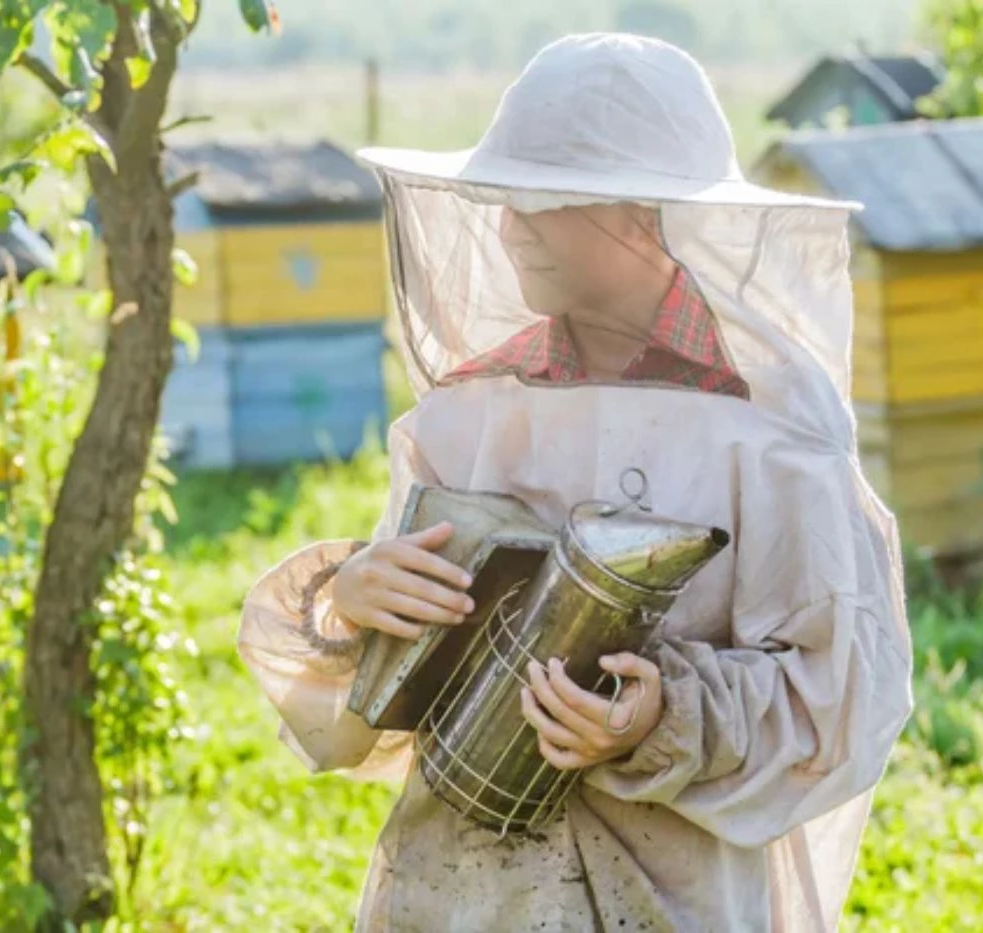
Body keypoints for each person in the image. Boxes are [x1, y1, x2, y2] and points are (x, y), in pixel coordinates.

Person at [239, 32, 913, 932]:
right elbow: (382, 705)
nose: (509, 226)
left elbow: (841, 692)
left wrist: (660, 717)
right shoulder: (469, 413)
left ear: (645, 215)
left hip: (682, 895)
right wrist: (354, 599)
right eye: (504, 198)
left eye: (540, 199)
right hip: (465, 896)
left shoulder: (772, 431)